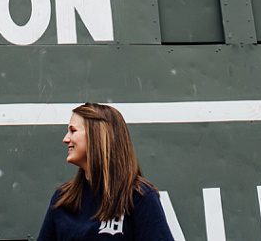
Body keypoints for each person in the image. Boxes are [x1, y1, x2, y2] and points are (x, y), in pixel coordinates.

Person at [37, 103, 175, 240]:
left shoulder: (139, 196)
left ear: (96, 135)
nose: (65, 139)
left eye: (73, 131)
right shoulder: (62, 199)